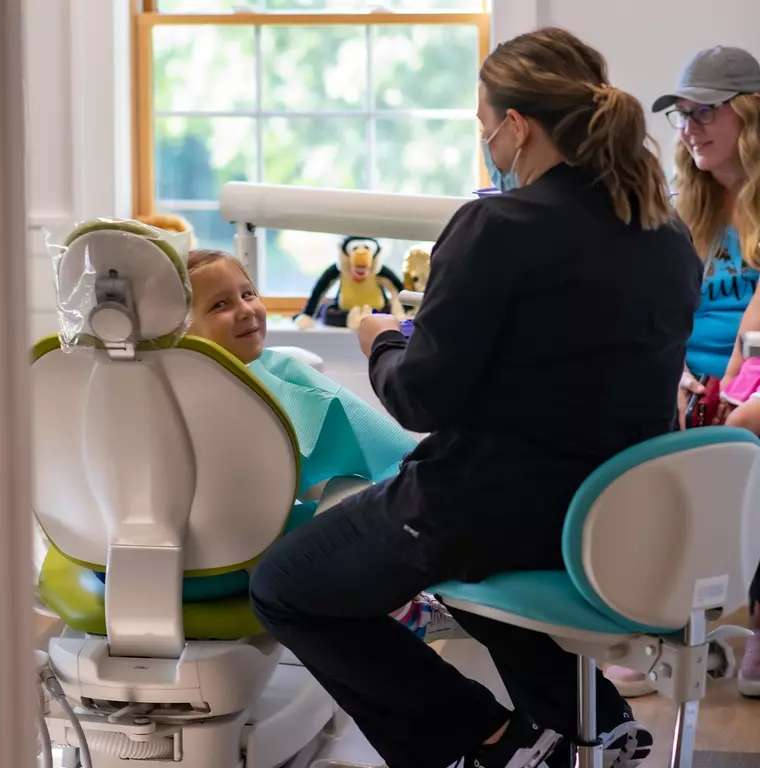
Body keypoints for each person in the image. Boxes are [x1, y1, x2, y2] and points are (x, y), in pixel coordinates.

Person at [248, 26, 702, 768]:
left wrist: (383, 340)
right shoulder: (664, 231)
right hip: (614, 518)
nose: (486, 137)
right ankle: (590, 721)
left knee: (284, 586)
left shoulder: (497, 226)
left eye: (485, 121)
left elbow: (419, 401)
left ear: (516, 127)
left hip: (491, 512)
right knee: (456, 564)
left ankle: (489, 740)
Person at [185, 248, 464, 642]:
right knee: (362, 510)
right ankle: (405, 612)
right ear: (180, 326)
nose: (246, 310)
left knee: (354, 500)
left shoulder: (160, 386)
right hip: (219, 561)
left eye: (248, 294)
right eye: (220, 305)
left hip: (137, 563)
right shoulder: (224, 393)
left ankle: (405, 599)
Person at [605, 44, 760, 700]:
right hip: (686, 381)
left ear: (748, 117)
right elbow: (644, 313)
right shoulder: (675, 208)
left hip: (750, 375)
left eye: (706, 113)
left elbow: (753, 337)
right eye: (682, 115)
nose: (690, 127)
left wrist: (731, 394)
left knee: (748, 425)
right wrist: (668, 378)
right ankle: (654, 623)